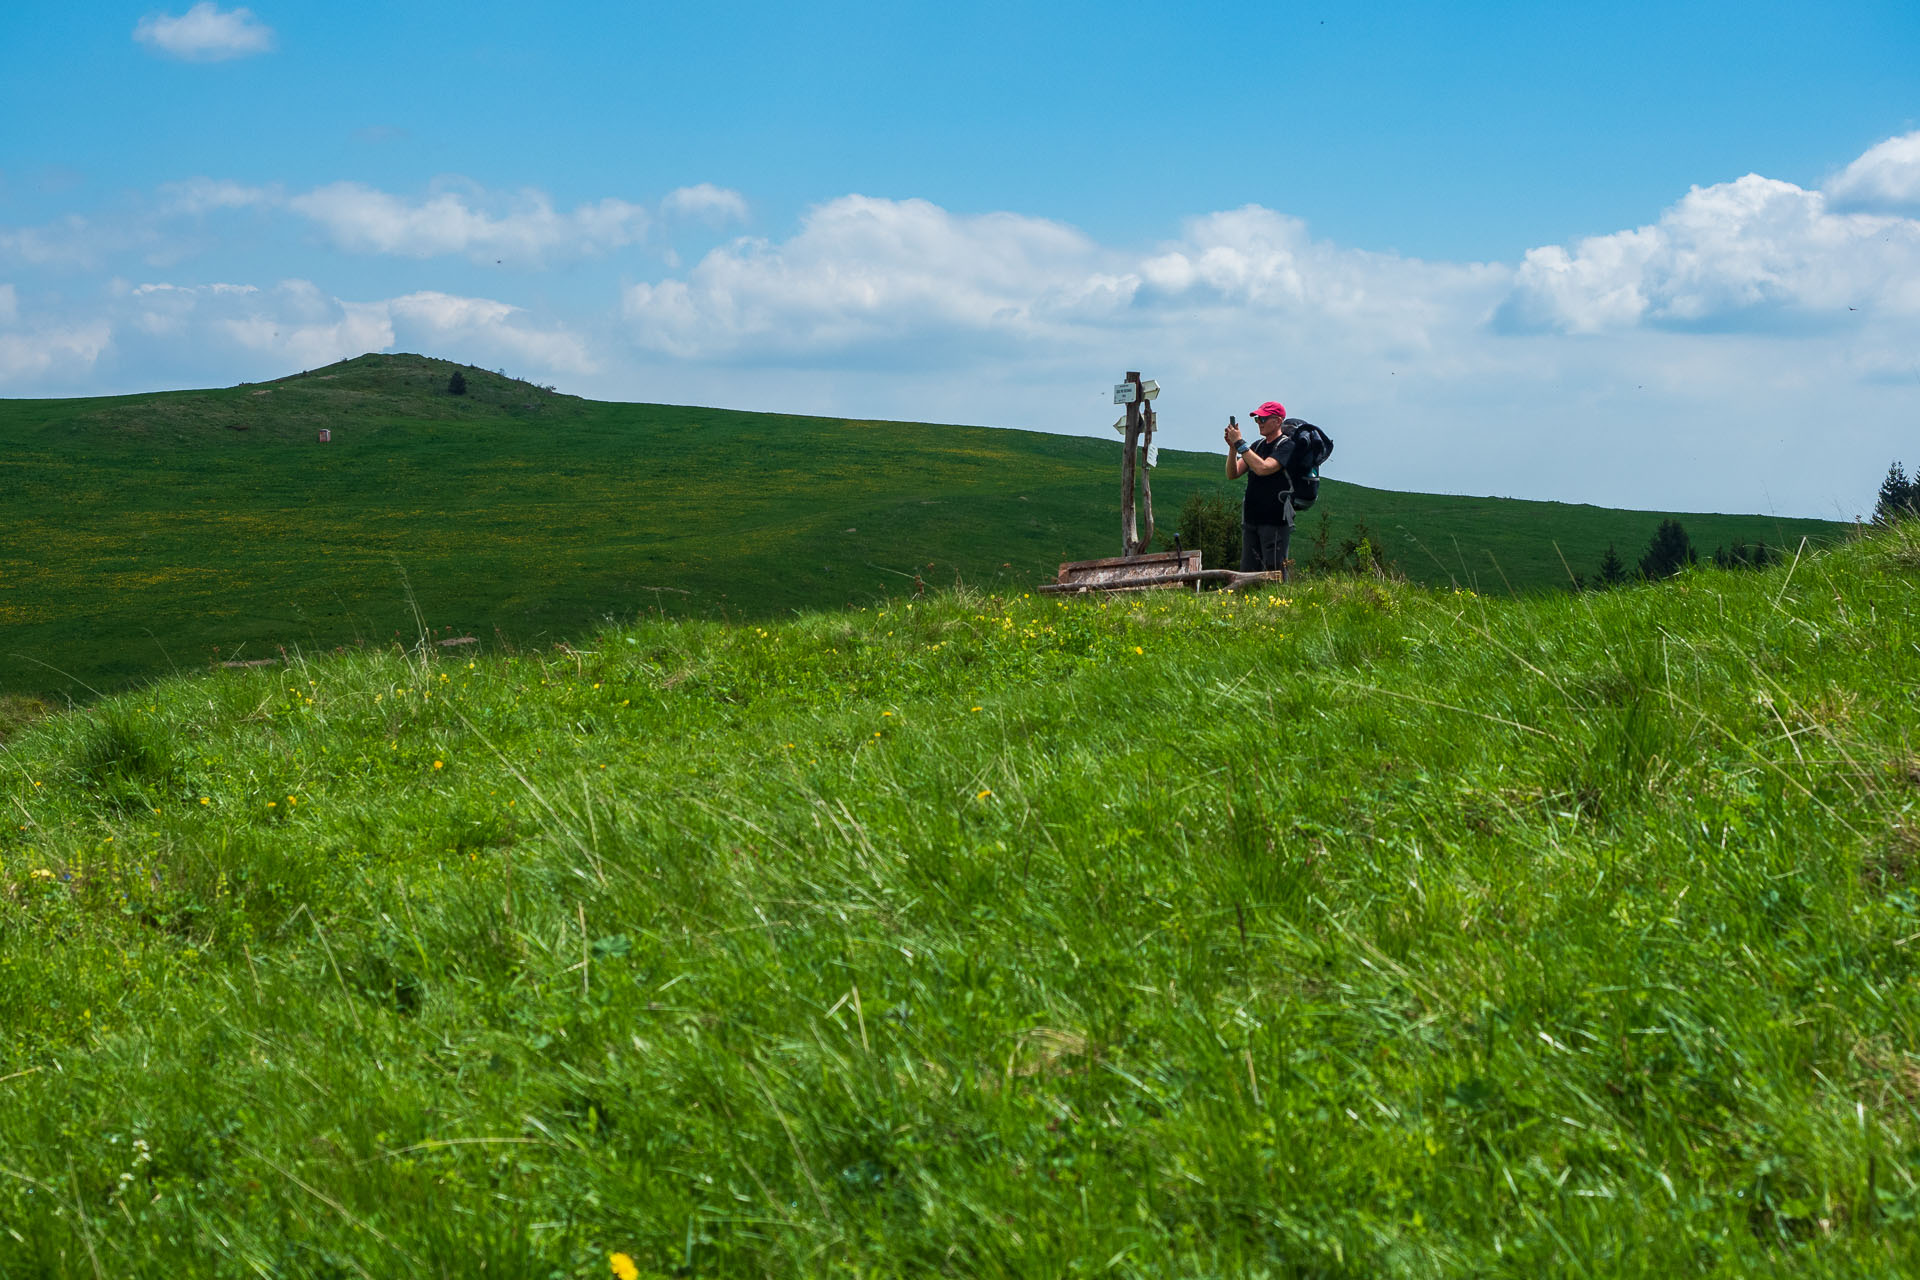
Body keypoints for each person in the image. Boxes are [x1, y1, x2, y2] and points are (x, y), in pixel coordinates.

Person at [1224, 400, 1297, 578]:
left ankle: (1280, 604)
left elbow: (1264, 468)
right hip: (1251, 520)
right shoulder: (1257, 446)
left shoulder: (1286, 446)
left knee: (1275, 572)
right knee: (1248, 572)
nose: (1259, 422)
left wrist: (1240, 443)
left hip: (1275, 521)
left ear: (1278, 421)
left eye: (1263, 419)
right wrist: (1233, 449)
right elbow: (1232, 474)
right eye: (1258, 419)